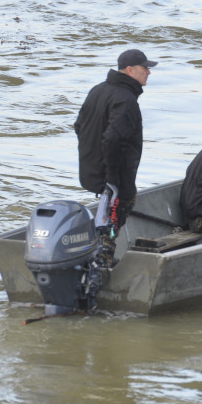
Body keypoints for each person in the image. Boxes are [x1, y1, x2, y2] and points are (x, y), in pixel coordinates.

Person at [74, 48, 157, 266]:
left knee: (108, 215)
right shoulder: (126, 99)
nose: (149, 72)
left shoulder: (98, 90)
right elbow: (112, 139)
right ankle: (103, 264)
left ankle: (99, 257)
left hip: (92, 170)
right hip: (114, 177)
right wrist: (113, 180)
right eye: (145, 68)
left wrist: (90, 154)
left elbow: (79, 126)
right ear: (130, 70)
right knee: (120, 210)